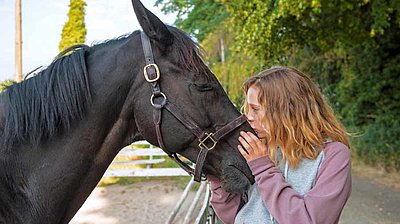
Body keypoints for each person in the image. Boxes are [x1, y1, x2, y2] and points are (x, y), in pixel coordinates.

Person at [208, 66, 352, 224]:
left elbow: (309, 220)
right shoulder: (260, 148)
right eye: (248, 108)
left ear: (289, 110)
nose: (248, 117)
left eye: (255, 109)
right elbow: (235, 216)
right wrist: (216, 175)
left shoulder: (334, 155)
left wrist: (263, 168)